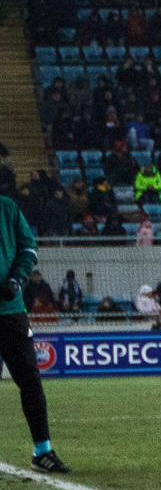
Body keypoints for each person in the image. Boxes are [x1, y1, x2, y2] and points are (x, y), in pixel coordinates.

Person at [0, 193, 66, 472]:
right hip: (11, 312)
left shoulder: (7, 208)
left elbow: (28, 249)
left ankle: (43, 451)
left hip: (11, 311)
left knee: (30, 380)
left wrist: (16, 280)